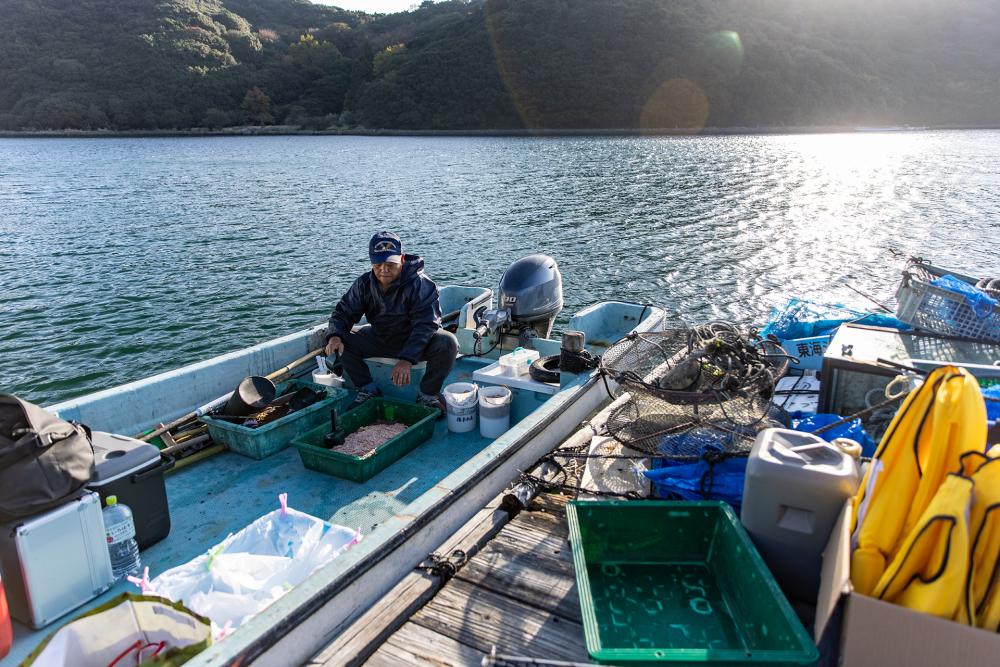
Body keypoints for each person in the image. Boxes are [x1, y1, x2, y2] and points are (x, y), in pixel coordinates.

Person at [324, 232, 457, 411]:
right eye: (378, 264)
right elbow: (343, 312)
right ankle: (367, 389)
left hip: (415, 341)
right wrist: (334, 336)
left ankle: (428, 394)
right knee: (342, 337)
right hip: (381, 337)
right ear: (371, 262)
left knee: (447, 342)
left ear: (401, 259)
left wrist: (406, 360)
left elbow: (426, 325)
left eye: (390, 264)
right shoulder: (363, 284)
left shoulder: (420, 284)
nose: (384, 269)